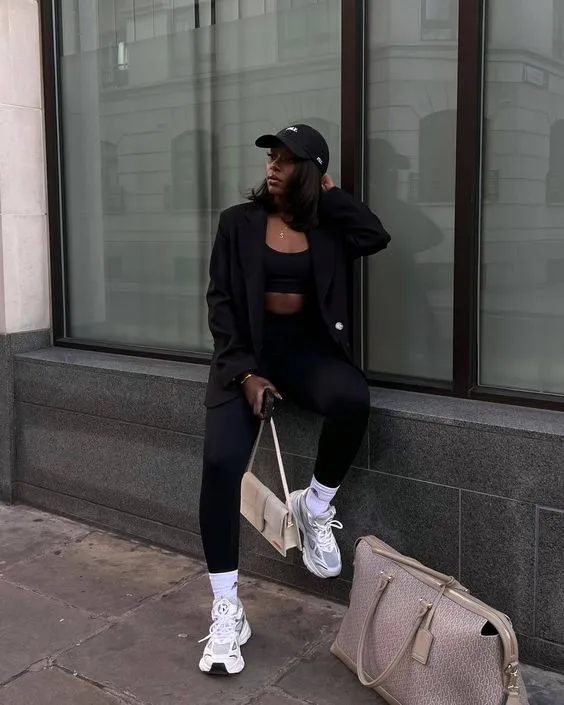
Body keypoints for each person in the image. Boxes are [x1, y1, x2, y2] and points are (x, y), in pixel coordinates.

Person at [198, 124, 391, 675]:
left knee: (352, 397)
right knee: (219, 462)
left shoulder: (327, 226)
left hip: (306, 355)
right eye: (270, 158)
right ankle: (227, 607)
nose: (272, 166)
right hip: (247, 357)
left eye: (286, 160)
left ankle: (316, 504)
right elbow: (220, 304)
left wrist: (329, 194)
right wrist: (244, 375)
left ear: (310, 170)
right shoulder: (238, 223)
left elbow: (375, 234)